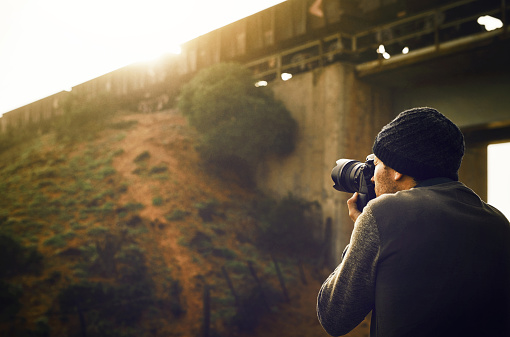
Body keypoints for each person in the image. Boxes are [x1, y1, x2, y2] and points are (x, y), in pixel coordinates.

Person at [317, 107, 510, 337]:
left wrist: (360, 228)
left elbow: (334, 317)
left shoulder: (383, 214)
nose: (371, 176)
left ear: (397, 170)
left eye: (376, 164)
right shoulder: (498, 222)